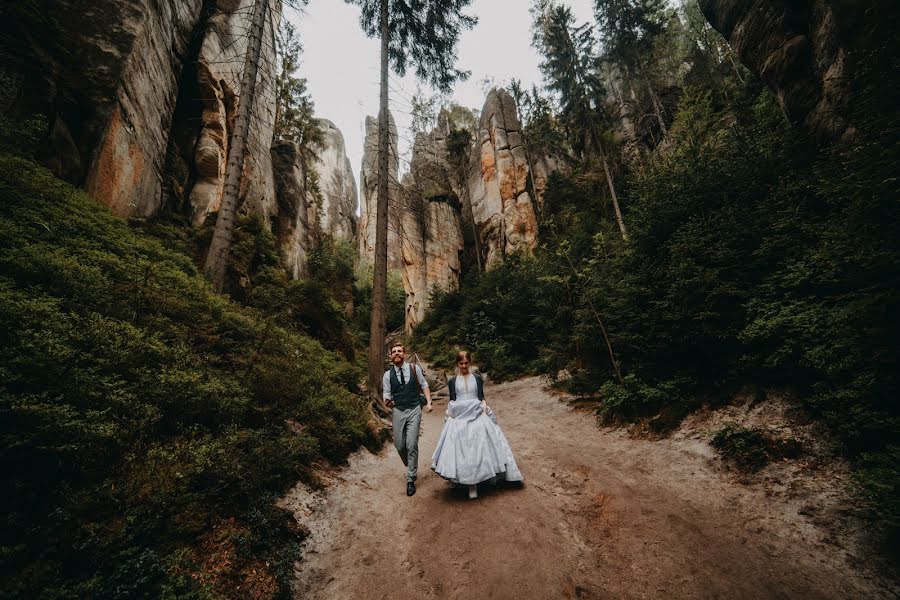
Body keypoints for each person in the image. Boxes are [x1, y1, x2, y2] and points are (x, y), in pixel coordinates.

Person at [431, 350, 523, 499]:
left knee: (481, 444)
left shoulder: (477, 378)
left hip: (477, 412)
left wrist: (484, 409)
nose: (464, 366)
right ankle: (466, 482)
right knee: (461, 446)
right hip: (461, 415)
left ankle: (483, 477)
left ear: (470, 362)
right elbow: (453, 400)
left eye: (466, 363)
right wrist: (450, 413)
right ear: (457, 364)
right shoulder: (452, 381)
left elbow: (482, 397)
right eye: (461, 363)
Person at [383, 344, 432, 496]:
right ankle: (410, 463)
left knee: (412, 444)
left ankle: (410, 478)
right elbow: (386, 395)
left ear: (405, 354)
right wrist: (388, 401)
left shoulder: (414, 369)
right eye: (393, 352)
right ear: (390, 356)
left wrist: (429, 402)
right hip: (398, 411)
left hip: (414, 409)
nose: (396, 354)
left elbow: (424, 385)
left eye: (399, 351)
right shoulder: (387, 375)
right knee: (399, 445)